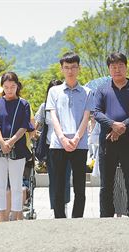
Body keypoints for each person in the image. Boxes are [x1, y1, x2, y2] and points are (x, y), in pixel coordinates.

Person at [93, 52, 129, 217]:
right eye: (113, 67)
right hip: (107, 142)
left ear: (126, 67)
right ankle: (106, 216)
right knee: (106, 184)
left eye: (120, 66)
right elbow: (97, 113)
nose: (117, 69)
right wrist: (113, 125)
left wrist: (123, 127)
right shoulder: (102, 89)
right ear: (109, 69)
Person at [47, 52, 94, 219]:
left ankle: (77, 219)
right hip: (58, 144)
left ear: (79, 68)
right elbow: (53, 117)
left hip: (79, 144)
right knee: (58, 185)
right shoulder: (54, 91)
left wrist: (75, 138)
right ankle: (60, 219)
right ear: (61, 69)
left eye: (73, 67)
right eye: (66, 67)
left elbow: (86, 117)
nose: (70, 71)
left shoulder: (88, 92)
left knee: (79, 186)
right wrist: (62, 139)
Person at [0, 71, 33, 222]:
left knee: (16, 185)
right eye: (6, 87)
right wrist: (2, 142)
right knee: (0, 185)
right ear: (2, 87)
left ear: (17, 86)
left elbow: (24, 126)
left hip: (18, 147)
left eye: (12, 86)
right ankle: (2, 217)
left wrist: (11, 141)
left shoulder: (24, 103)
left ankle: (17, 216)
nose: (9, 90)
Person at [34, 79, 71, 211]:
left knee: (66, 178)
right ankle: (56, 207)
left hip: (67, 145)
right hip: (51, 146)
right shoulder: (44, 107)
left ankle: (64, 204)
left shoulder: (68, 104)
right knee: (54, 179)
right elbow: (36, 126)